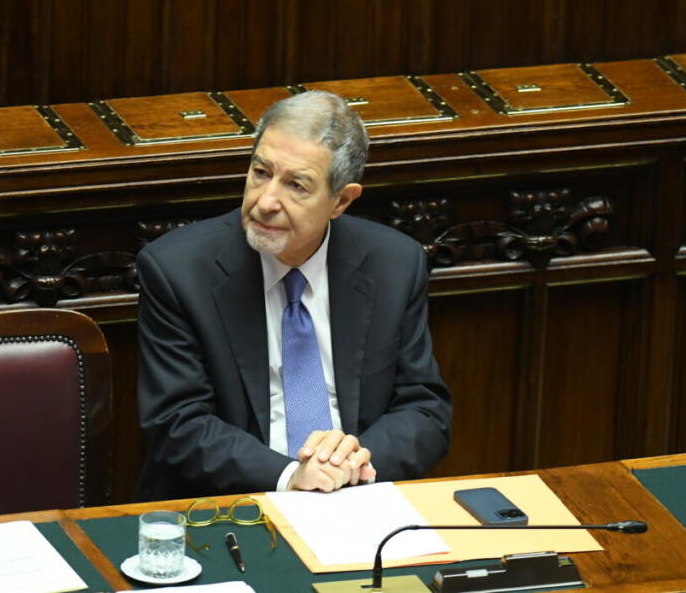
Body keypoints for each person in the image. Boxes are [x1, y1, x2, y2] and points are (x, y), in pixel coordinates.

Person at [134, 90, 452, 500]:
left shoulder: (393, 264)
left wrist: (354, 462)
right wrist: (291, 476)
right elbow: (177, 422)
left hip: (357, 498)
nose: (266, 201)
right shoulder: (178, 270)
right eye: (261, 172)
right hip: (233, 502)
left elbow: (424, 410)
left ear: (341, 200)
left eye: (296, 185)